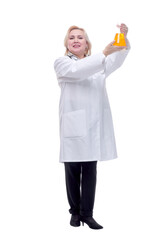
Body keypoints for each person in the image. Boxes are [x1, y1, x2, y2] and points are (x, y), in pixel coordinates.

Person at [54, 24, 130, 230]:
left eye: (80, 37)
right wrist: (104, 52)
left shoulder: (98, 64)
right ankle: (75, 213)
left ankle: (87, 214)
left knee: (90, 170)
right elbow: (78, 71)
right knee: (72, 171)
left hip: (92, 127)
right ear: (67, 44)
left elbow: (117, 59)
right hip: (73, 126)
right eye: (72, 38)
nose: (76, 40)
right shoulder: (62, 63)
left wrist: (122, 38)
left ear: (87, 44)